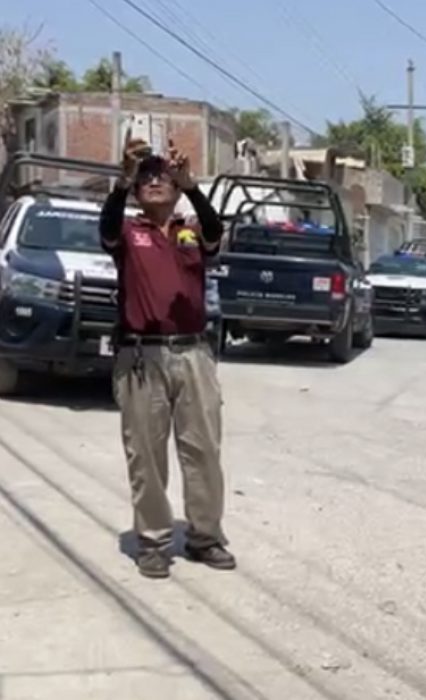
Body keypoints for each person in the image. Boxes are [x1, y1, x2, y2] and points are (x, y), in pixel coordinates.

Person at [99, 136, 235, 579]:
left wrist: (193, 186)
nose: (155, 182)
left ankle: (205, 537)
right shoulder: (127, 230)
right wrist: (122, 180)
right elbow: (105, 226)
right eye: (147, 178)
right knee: (146, 454)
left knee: (203, 451)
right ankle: (154, 540)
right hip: (142, 357)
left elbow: (216, 234)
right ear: (137, 190)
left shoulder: (191, 228)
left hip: (193, 354)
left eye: (164, 177)